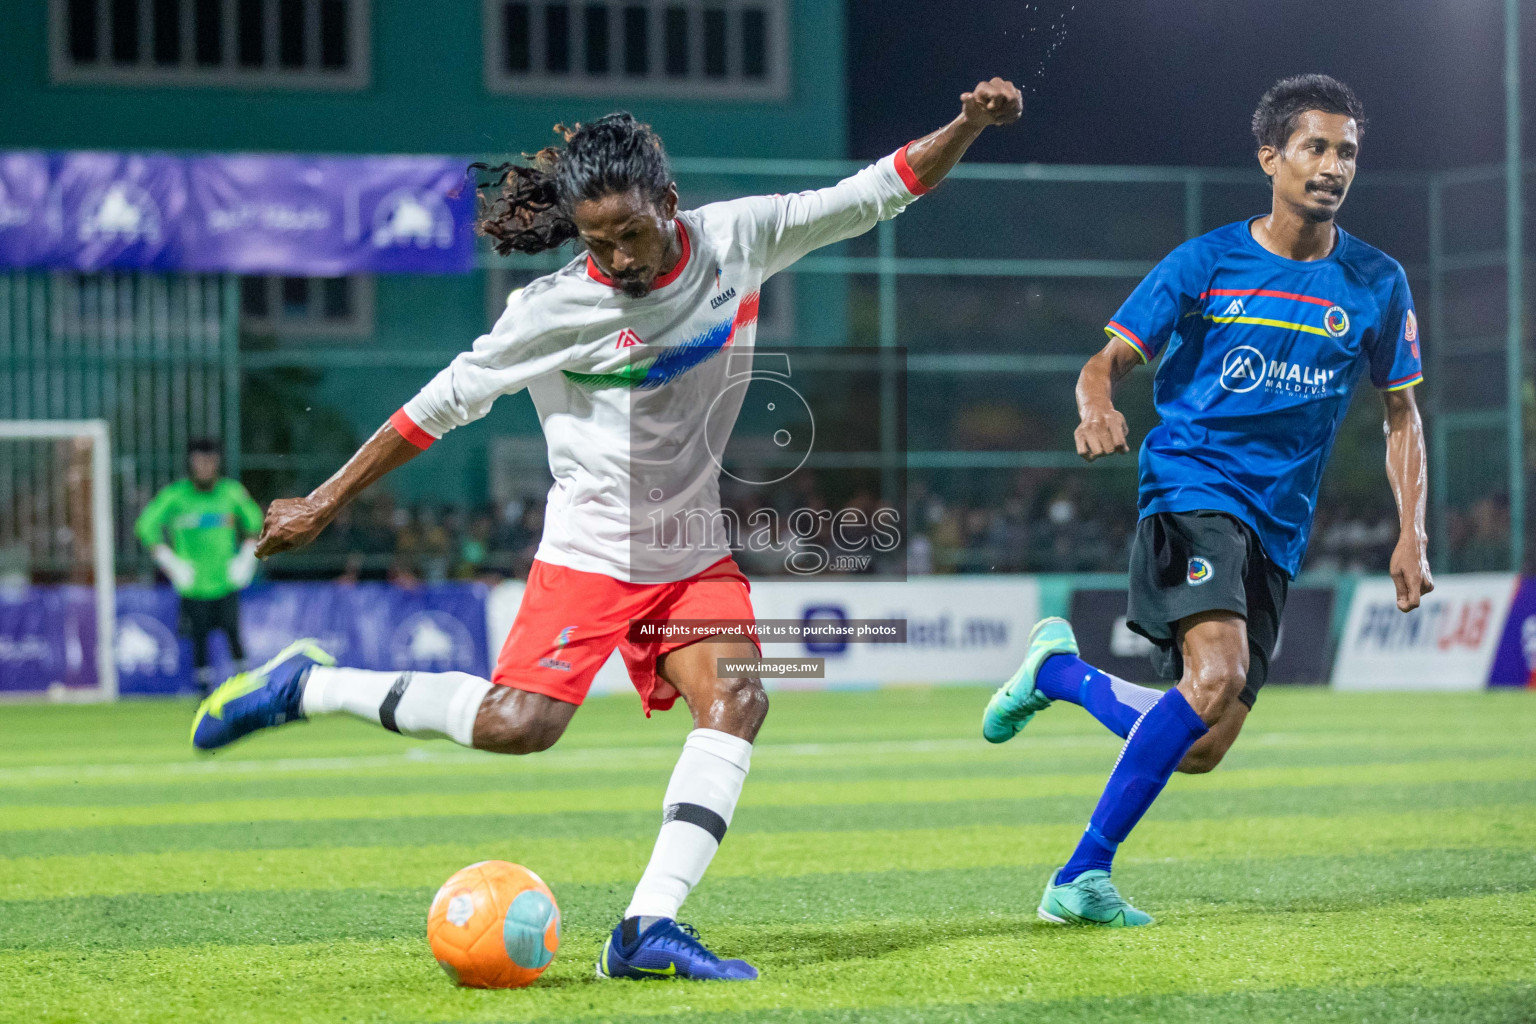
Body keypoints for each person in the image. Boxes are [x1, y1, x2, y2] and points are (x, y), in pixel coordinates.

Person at [192, 82, 1024, 979]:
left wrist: (968, 124)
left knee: (739, 701)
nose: (617, 258)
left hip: (694, 549)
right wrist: (325, 499)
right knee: (520, 727)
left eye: (629, 233)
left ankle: (644, 929)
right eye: (597, 242)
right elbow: (437, 407)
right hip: (591, 552)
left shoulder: (738, 239)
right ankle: (310, 686)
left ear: (667, 203)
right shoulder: (552, 309)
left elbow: (878, 191)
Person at [982, 74, 1433, 926]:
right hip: (1192, 488)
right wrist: (1098, 406)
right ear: (1271, 157)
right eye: (1315, 147)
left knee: (1203, 746)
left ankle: (1059, 672)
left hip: (1278, 529)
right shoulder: (1206, 263)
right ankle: (1081, 876)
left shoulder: (1378, 282)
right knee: (1216, 673)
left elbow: (1401, 413)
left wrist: (1413, 531)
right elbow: (1102, 362)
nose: (1333, 165)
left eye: (1347, 152)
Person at [135, 438, 262, 697]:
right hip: (193, 583)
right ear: (191, 463)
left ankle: (247, 688)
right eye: (200, 461)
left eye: (210, 461)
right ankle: (203, 693)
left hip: (225, 580)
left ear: (217, 463)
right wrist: (168, 560)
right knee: (199, 639)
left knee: (233, 634)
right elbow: (145, 526)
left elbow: (256, 520)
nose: (205, 467)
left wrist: (246, 556)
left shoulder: (231, 492)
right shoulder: (176, 496)